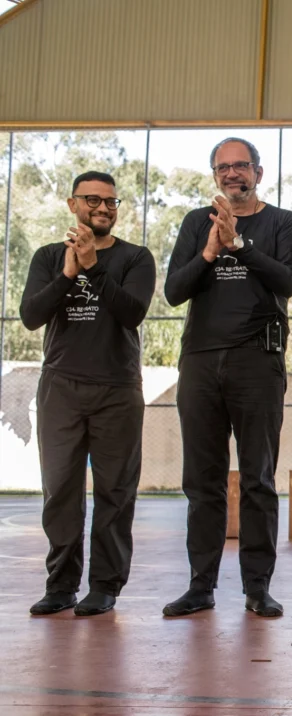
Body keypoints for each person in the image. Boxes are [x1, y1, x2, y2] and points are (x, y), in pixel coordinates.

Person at [162, 138, 292, 618]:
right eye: (223, 167)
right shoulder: (194, 222)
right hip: (200, 361)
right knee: (202, 482)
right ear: (215, 174)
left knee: (258, 479)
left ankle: (257, 587)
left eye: (241, 165)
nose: (231, 173)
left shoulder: (282, 222)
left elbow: (287, 281)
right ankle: (201, 585)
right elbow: (174, 293)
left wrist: (239, 245)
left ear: (258, 173)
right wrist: (208, 250)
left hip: (256, 361)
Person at [20, 171, 155, 617]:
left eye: (111, 202)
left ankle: (105, 586)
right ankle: (60, 585)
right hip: (61, 388)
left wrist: (94, 268)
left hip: (117, 388)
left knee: (116, 491)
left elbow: (132, 313)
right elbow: (31, 316)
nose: (103, 208)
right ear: (72, 204)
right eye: (93, 200)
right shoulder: (46, 257)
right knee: (60, 490)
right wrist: (67, 273)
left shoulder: (136, 258)